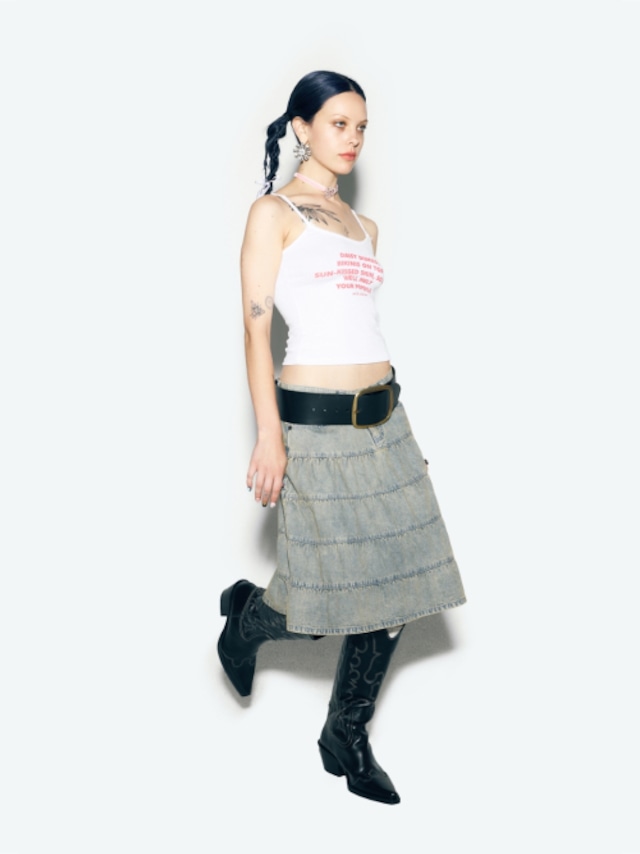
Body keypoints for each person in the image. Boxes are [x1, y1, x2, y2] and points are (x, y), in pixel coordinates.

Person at [217, 70, 466, 805]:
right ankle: (247, 620)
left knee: (399, 584)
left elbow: (363, 327)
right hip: (314, 427)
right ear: (302, 128)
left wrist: (397, 437)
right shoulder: (273, 213)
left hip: (385, 420)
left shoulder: (365, 227)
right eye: (337, 123)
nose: (352, 138)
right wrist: (269, 435)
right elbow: (255, 331)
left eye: (361, 127)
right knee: (322, 602)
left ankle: (345, 732)